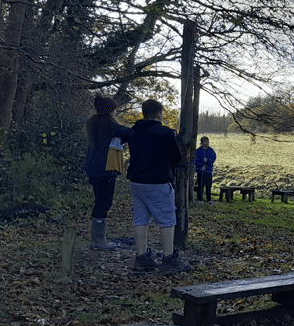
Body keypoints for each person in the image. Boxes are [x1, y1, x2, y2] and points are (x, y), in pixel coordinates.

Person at [127, 99, 190, 273]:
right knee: (167, 220)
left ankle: (142, 257)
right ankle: (169, 257)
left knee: (140, 219)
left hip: (136, 182)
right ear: (159, 114)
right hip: (158, 182)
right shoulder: (165, 133)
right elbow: (176, 157)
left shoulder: (134, 131)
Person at [84, 95, 133, 250]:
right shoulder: (109, 124)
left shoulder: (94, 123)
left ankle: (98, 239)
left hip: (93, 168)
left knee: (99, 201)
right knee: (103, 203)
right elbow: (128, 133)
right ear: (111, 110)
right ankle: (98, 241)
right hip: (105, 169)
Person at [194, 136, 217, 203]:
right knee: (200, 185)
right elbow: (196, 161)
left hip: (208, 171)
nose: (206, 143)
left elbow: (213, 159)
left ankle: (209, 199)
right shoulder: (198, 151)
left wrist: (208, 161)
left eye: (207, 141)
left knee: (208, 186)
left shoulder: (211, 151)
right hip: (201, 171)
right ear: (201, 142)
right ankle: (200, 199)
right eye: (204, 141)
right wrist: (200, 167)